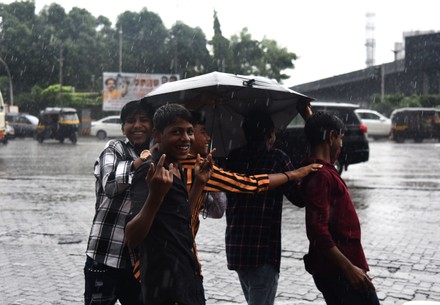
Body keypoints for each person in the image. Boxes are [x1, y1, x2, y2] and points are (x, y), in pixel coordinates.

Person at [222, 109, 317, 305]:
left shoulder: (233, 157)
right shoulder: (277, 158)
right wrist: (306, 174)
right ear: (269, 134)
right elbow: (299, 199)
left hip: (237, 247)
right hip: (262, 251)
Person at [125, 103, 213, 305]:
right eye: (176, 132)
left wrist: (199, 183)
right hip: (166, 288)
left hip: (186, 278)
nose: (186, 138)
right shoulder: (151, 171)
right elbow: (131, 237)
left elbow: (181, 221)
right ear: (157, 134)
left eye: (190, 132)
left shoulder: (175, 168)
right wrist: (155, 196)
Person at [300, 111, 380, 305]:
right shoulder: (321, 176)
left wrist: (310, 116)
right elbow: (317, 231)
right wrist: (349, 269)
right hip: (340, 271)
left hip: (333, 269)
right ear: (331, 137)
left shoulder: (321, 171)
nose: (341, 145)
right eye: (340, 138)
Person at [84, 100, 154, 305]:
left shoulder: (162, 155)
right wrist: (141, 162)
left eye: (144, 120)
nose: (138, 125)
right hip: (105, 253)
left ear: (153, 126)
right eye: (131, 121)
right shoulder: (114, 148)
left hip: (140, 259)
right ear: (123, 127)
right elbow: (111, 184)